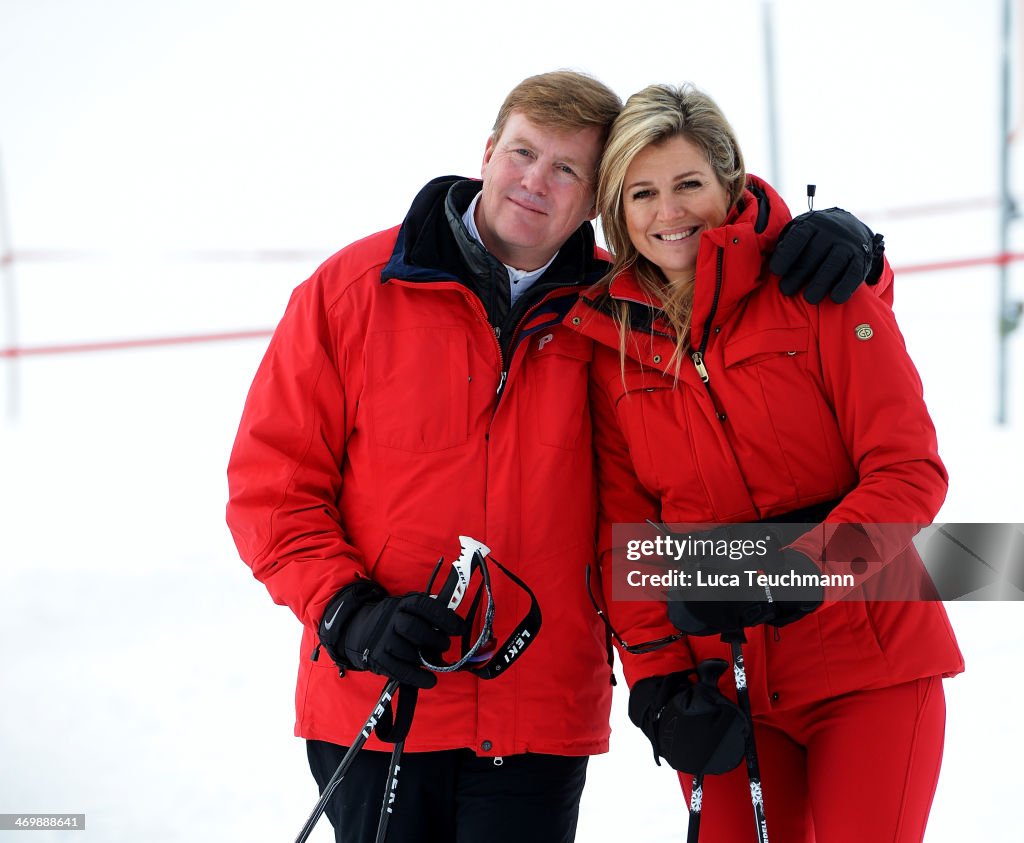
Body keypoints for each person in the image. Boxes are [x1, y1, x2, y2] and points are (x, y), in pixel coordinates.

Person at [225, 70, 887, 843]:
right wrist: (348, 611)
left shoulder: (621, 310)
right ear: (488, 151)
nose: (536, 182)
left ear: (594, 195)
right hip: (378, 700)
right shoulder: (352, 292)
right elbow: (270, 489)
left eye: (567, 168)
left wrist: (850, 254)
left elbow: (761, 332)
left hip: (536, 720)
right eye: (523, 153)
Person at [567, 82, 964, 843]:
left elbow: (909, 472)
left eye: (689, 184)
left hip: (871, 662)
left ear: (730, 183)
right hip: (725, 687)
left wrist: (791, 569)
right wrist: (657, 684)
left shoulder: (817, 293)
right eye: (642, 193)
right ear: (617, 211)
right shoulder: (607, 349)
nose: (669, 212)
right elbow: (628, 539)